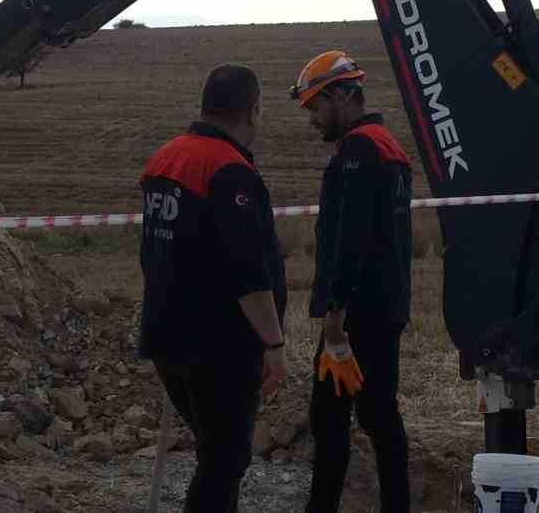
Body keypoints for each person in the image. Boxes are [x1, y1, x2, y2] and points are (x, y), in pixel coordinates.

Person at [137, 63, 288, 513]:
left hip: (167, 335)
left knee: (215, 451)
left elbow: (151, 253)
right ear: (253, 111)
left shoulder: (165, 159)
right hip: (217, 344)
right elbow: (248, 274)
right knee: (225, 459)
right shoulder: (229, 171)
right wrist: (274, 343)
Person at [292, 50, 413, 513]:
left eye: (316, 107)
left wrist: (336, 324)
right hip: (385, 306)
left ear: (342, 96)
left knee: (331, 418)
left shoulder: (360, 150)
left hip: (359, 315)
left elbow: (351, 240)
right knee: (379, 413)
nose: (313, 120)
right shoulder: (387, 145)